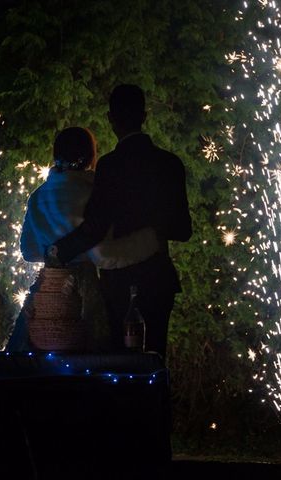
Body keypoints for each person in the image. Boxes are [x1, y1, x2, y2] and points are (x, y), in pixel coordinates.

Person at [46, 84, 192, 359]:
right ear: (144, 115)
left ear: (111, 118)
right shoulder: (170, 163)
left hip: (119, 282)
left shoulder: (110, 165)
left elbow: (96, 226)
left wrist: (59, 251)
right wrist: (152, 224)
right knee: (154, 360)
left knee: (121, 365)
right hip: (159, 278)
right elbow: (183, 230)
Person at [6, 126, 159, 352]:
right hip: (83, 289)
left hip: (47, 289)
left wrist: (54, 252)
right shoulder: (93, 193)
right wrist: (152, 240)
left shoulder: (38, 196)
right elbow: (105, 255)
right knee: (87, 361)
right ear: (90, 155)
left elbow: (29, 252)